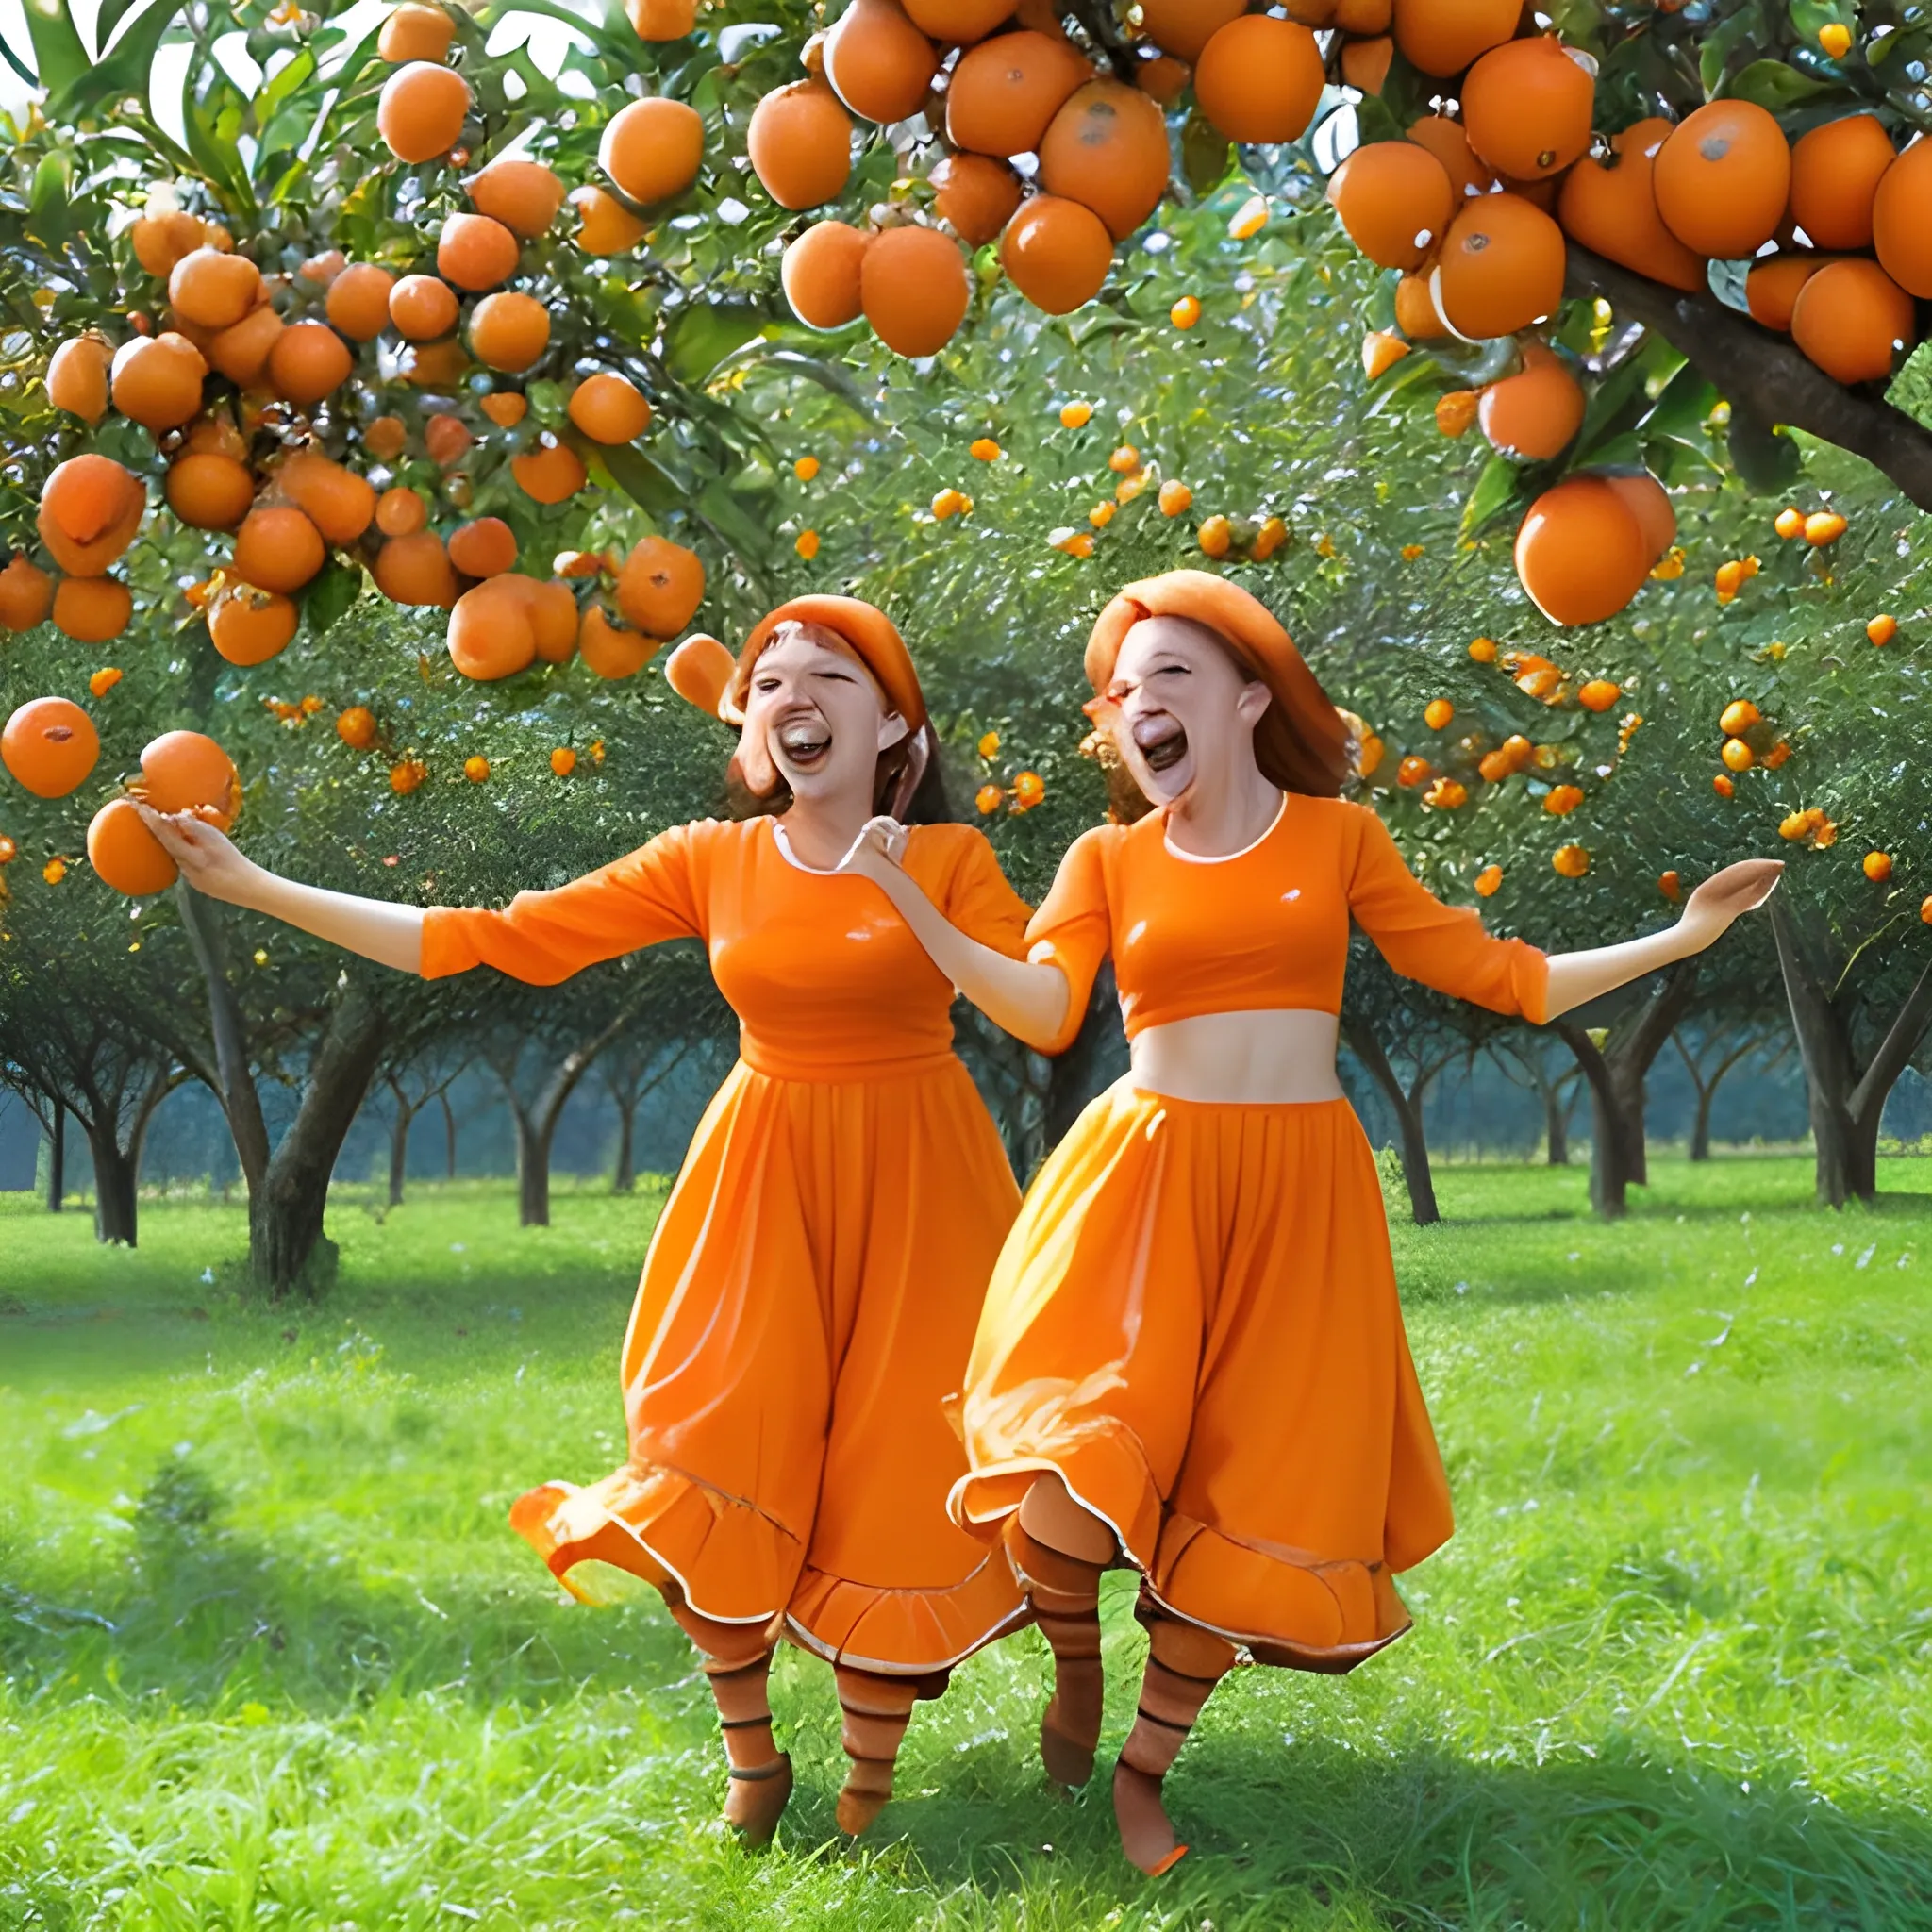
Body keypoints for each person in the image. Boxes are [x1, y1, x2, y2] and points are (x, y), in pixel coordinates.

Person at [834, 569, 1782, 1874]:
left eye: (1170, 674)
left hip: (1300, 1199)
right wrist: (911, 904)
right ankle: (1073, 1669)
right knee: (1065, 1472)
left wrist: (1678, 941)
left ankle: (1142, 1777)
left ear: (1247, 697)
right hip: (1140, 1183)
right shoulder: (1107, 856)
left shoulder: (1339, 840)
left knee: (1259, 1502)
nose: (1138, 703)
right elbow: (1046, 1012)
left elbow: (1499, 975)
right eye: (1121, 690)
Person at [141, 596, 1033, 1843]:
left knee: (898, 1462)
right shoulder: (709, 859)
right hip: (763, 1175)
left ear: (896, 723)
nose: (794, 696)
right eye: (771, 679)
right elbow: (495, 939)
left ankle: (871, 1783)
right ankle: (752, 1761)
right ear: (752, 722)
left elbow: (1034, 1000)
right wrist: (255, 884)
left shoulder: (954, 864)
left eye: (831, 674)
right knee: (711, 1442)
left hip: (925, 1181)